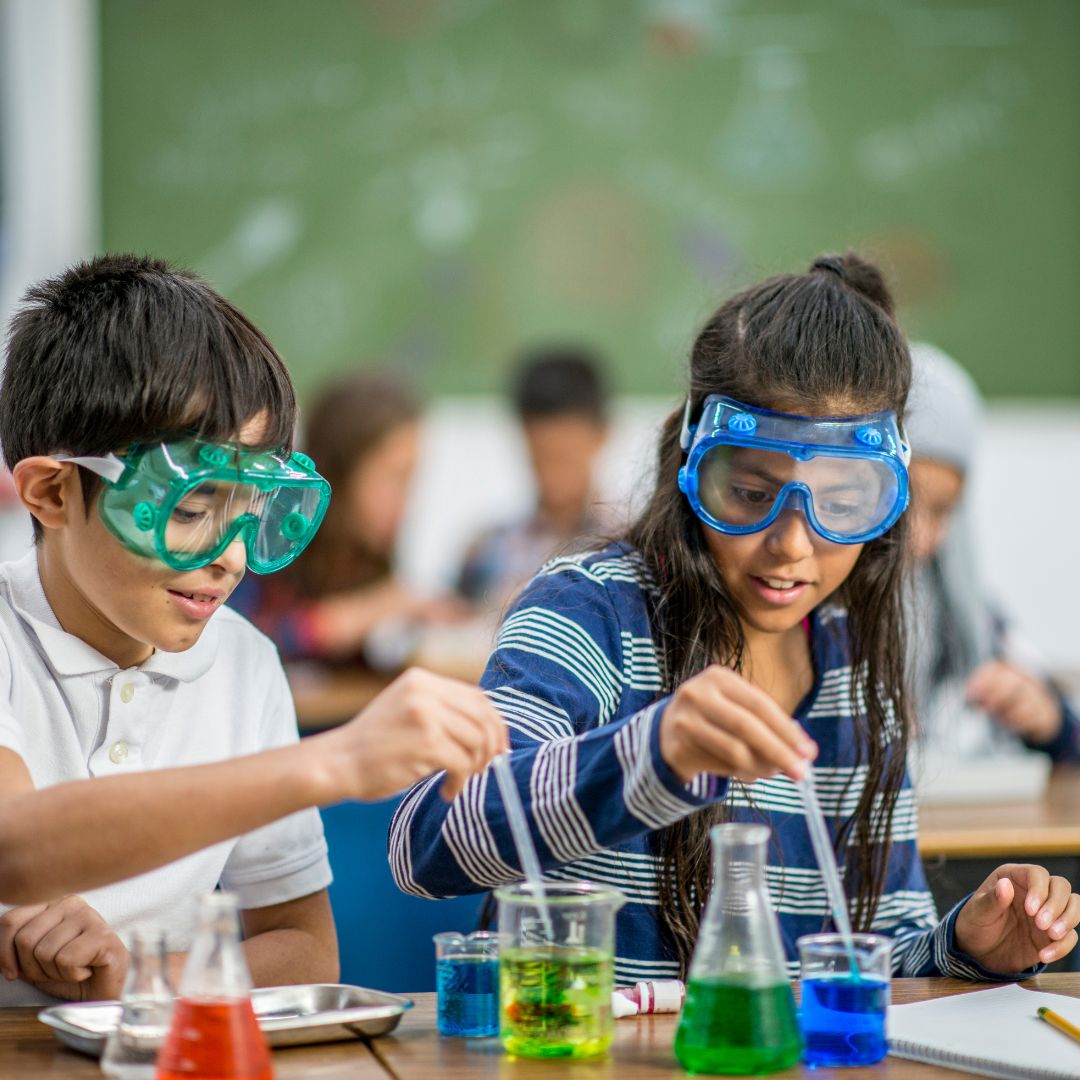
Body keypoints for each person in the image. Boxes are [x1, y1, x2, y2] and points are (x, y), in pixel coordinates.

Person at [391, 253, 1080, 984]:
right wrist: (653, 753)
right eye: (750, 492)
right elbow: (423, 844)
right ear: (692, 467)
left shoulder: (854, 676)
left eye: (841, 504)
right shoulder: (590, 612)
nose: (790, 544)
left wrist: (963, 949)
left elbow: (865, 951)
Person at [0, 255, 505, 1005]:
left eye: (247, 513)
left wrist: (136, 977)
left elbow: (306, 949)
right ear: (52, 491)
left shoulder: (242, 664)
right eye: (191, 508)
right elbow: (18, 844)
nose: (231, 558)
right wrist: (333, 762)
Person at [905, 343, 1080, 764]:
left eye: (943, 511)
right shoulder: (816, 616)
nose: (919, 538)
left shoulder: (972, 613)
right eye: (903, 502)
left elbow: (1070, 738)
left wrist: (1046, 717)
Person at [229, 373, 462, 662]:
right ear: (340, 474)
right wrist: (369, 610)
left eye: (412, 481)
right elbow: (238, 636)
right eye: (395, 479)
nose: (406, 501)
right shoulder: (265, 533)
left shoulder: (365, 557)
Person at [457, 347, 613, 608]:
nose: (553, 478)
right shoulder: (486, 550)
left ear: (602, 434)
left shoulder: (633, 542)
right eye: (539, 458)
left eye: (566, 457)